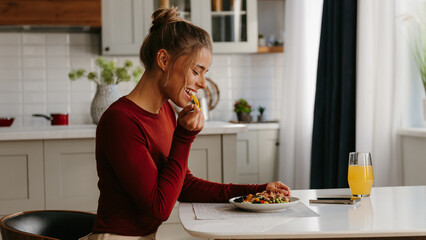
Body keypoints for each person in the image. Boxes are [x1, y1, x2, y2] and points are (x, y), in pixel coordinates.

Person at [87, 7, 291, 240]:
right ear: (164, 59)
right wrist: (184, 137)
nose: (203, 83)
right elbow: (159, 207)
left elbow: (183, 184)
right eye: (197, 71)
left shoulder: (165, 110)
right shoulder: (121, 120)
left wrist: (255, 191)